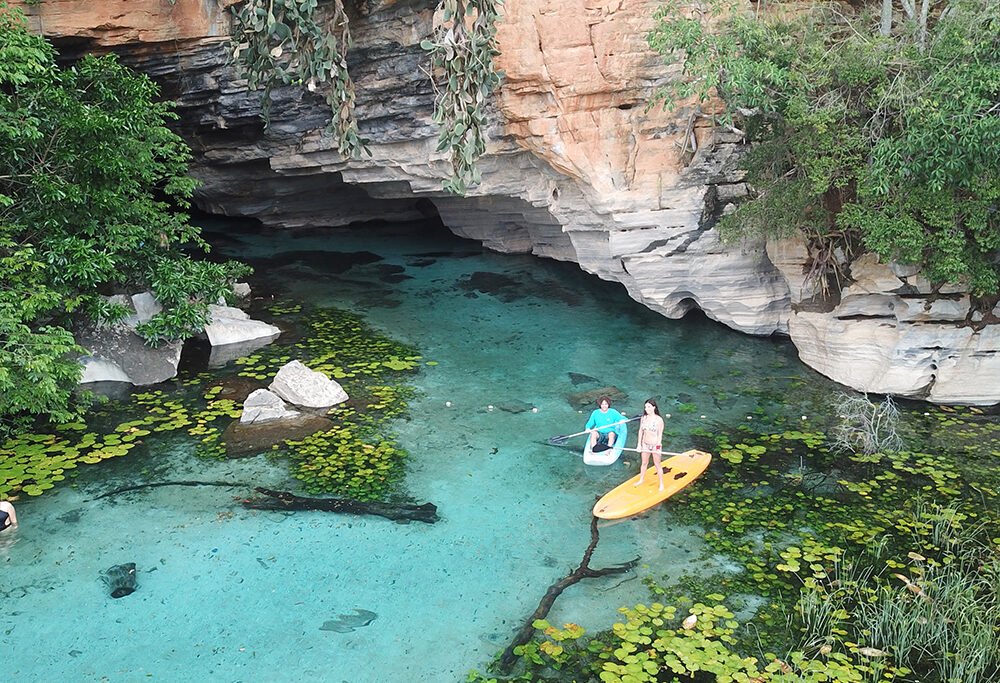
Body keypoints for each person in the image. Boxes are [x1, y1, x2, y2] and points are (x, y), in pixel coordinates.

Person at [635, 398, 666, 491]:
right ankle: (641, 479)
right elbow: (640, 431)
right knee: (644, 463)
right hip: (645, 444)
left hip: (655, 444)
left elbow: (660, 434)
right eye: (645, 407)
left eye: (648, 407)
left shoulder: (659, 420)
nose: (646, 409)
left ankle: (661, 483)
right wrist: (639, 445)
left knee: (657, 464)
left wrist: (657, 447)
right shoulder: (643, 418)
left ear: (654, 407)